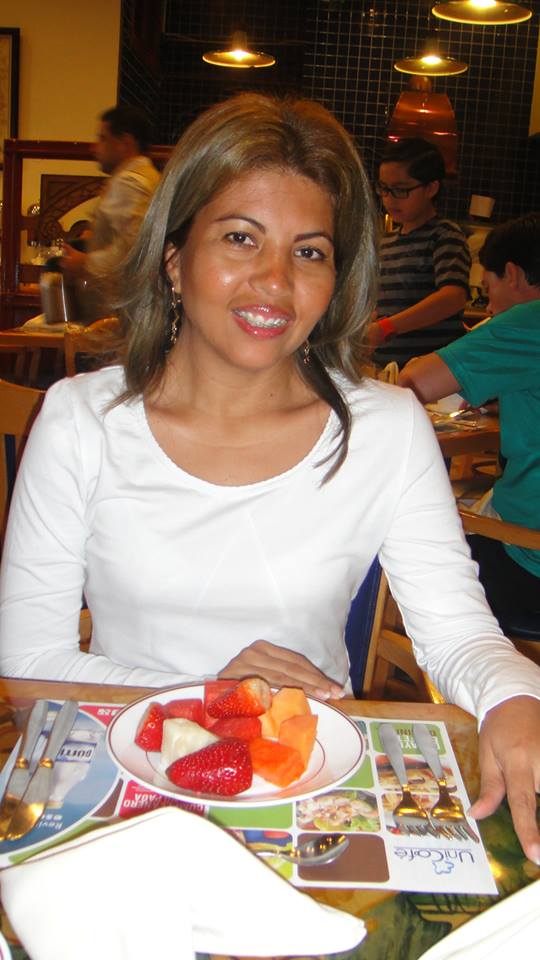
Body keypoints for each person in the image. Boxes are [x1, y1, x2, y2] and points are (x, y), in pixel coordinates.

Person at [0, 94, 539, 864]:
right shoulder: (81, 419)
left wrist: (515, 696)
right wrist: (216, 696)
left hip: (310, 790)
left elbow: (456, 631)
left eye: (309, 252)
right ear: (174, 259)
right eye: (240, 237)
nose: (276, 282)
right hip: (125, 779)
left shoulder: (386, 428)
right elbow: (27, 668)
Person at [398, 212, 540, 631]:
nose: (489, 302)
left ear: (512, 274)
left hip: (528, 564)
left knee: (400, 548)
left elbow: (413, 383)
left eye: (489, 286)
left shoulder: (528, 319)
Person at [369, 138, 471, 368]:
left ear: (431, 188)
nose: (389, 198)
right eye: (384, 188)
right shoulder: (385, 242)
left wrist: (387, 328)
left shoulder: (445, 235)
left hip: (432, 372)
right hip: (387, 369)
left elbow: (453, 297)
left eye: (401, 190)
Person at [60, 104, 161, 316]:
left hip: (121, 311)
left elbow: (134, 250)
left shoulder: (129, 182)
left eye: (103, 138)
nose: (94, 148)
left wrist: (85, 264)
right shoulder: (148, 176)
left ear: (125, 142)